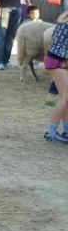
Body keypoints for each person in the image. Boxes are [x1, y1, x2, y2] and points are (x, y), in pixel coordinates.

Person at [42, 11, 68, 144]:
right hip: (58, 61)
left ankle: (66, 131)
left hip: (52, 58)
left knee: (65, 98)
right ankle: (51, 132)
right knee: (64, 98)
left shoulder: (62, 18)